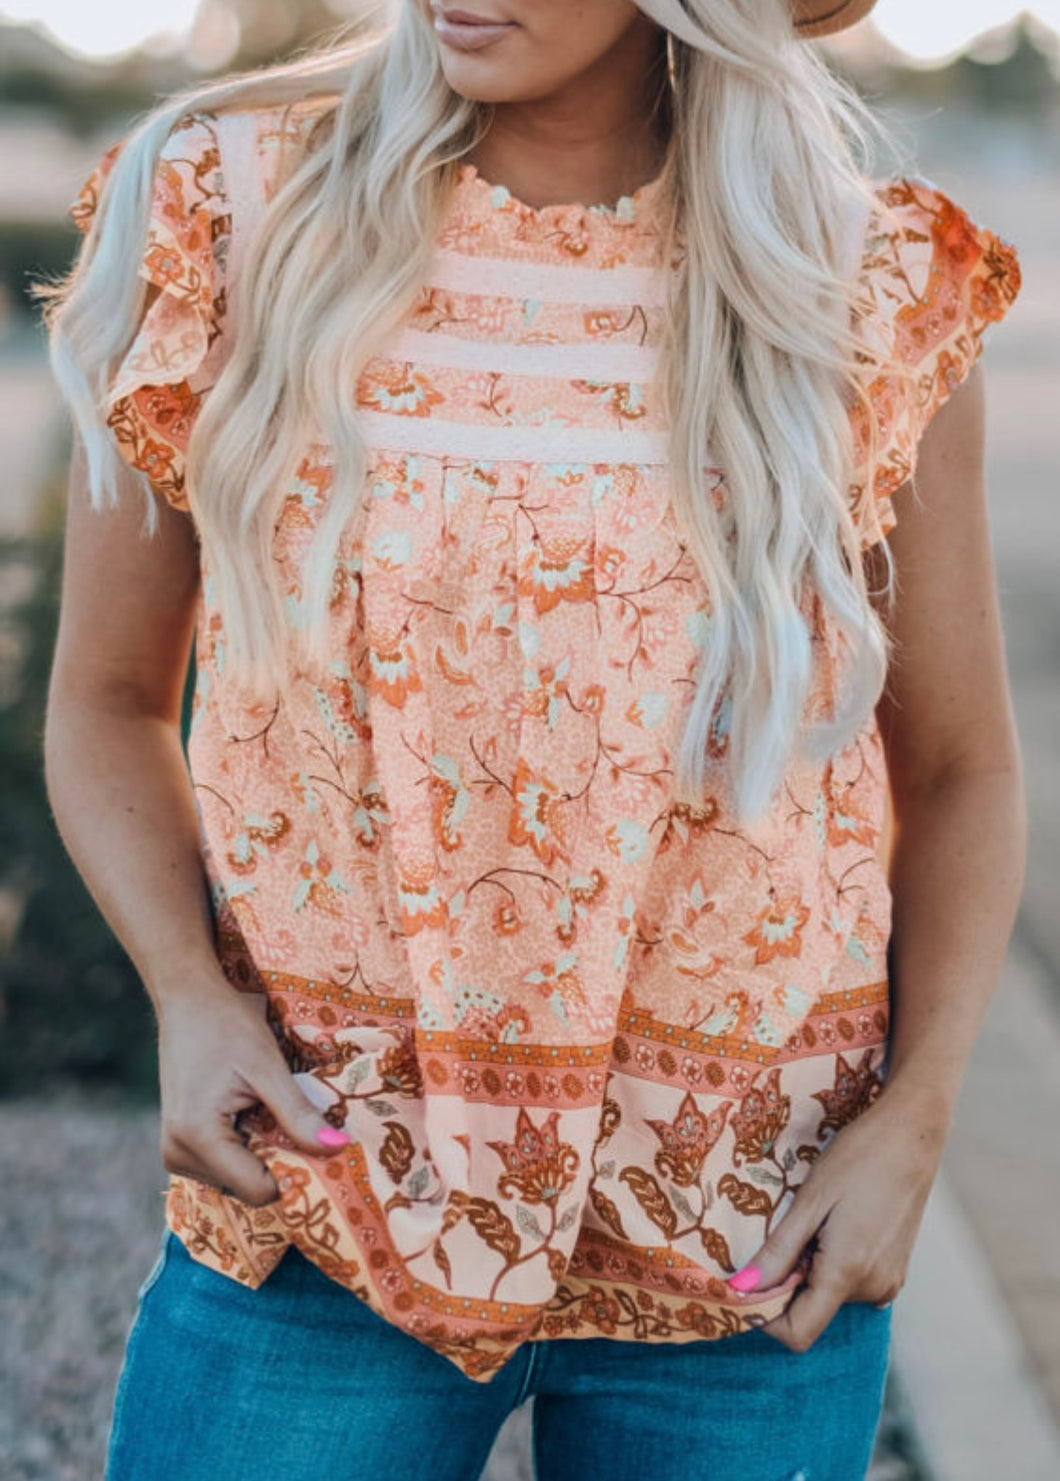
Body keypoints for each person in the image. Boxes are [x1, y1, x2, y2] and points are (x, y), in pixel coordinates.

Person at [37, 1, 1026, 1477]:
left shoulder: (865, 280)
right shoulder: (231, 208)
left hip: (749, 1226)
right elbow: (108, 699)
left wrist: (918, 1122)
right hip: (329, 1195)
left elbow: (959, 768)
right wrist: (186, 993)